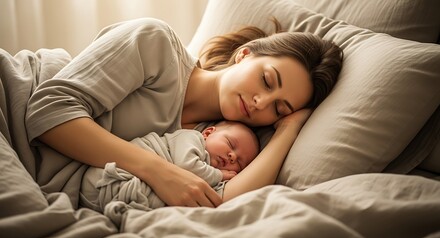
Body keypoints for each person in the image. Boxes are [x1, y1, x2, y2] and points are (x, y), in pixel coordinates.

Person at [23, 17, 343, 208]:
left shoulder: (216, 142)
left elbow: (224, 200)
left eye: (278, 107)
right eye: (267, 80)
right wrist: (158, 171)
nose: (262, 102)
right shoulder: (156, 42)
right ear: (245, 54)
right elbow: (48, 109)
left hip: (37, 171)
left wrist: (289, 129)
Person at [80, 120, 259, 212]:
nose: (232, 156)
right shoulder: (191, 138)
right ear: (208, 132)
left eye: (240, 162)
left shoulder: (208, 170)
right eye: (230, 144)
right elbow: (187, 166)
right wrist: (221, 175)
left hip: (119, 187)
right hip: (108, 175)